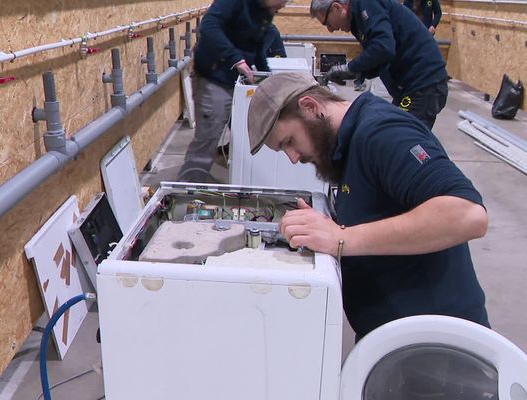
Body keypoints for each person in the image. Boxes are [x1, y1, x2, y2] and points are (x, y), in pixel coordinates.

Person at [247, 72, 490, 340]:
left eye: (289, 142)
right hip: (397, 341)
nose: (293, 158)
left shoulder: (383, 133)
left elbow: (467, 215)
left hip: (438, 345)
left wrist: (341, 238)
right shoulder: (345, 145)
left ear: (310, 107)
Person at [178, 0, 288, 182]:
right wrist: (236, 59)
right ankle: (187, 190)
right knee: (207, 140)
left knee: (237, 133)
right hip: (213, 78)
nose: (284, 5)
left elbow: (257, 46)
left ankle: (203, 180)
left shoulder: (265, 10)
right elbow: (208, 26)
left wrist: (266, 76)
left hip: (233, 80)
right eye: (283, 0)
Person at [310, 0, 448, 130]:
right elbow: (380, 58)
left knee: (401, 139)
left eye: (327, 23)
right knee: (396, 134)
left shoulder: (367, 3)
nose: (330, 30)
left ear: (337, 8)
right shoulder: (358, 19)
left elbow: (383, 48)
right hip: (409, 87)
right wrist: (356, 72)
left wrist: (350, 68)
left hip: (423, 84)